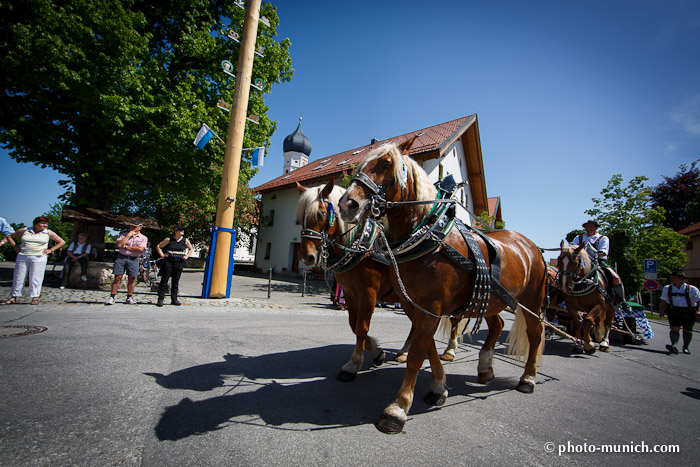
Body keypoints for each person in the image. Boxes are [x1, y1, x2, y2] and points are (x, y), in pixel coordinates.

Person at [0, 216, 66, 305]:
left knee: (36, 277)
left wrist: (50, 250)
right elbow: (10, 236)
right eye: (43, 223)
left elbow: (61, 242)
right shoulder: (25, 230)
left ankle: (35, 297)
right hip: (23, 256)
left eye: (46, 223)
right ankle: (14, 296)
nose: (45, 225)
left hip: (39, 257)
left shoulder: (48, 232)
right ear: (36, 224)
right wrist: (15, 247)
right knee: (19, 276)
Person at [570, 220, 631, 313]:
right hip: (581, 262)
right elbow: (571, 247)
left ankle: (622, 301)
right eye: (587, 227)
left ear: (596, 227)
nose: (588, 228)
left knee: (615, 277)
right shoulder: (579, 237)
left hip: (598, 262)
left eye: (591, 226)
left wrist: (592, 255)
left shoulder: (602, 238)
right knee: (566, 272)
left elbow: (603, 252)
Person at [106, 219, 148, 305]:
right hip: (122, 257)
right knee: (117, 277)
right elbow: (119, 245)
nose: (132, 228)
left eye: (135, 226)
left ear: (139, 227)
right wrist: (128, 236)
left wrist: (127, 247)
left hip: (134, 258)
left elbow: (140, 249)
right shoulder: (124, 235)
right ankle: (112, 296)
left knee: (132, 278)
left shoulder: (143, 238)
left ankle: (129, 297)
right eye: (131, 226)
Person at [659, 270, 700, 354]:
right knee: (674, 328)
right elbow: (664, 301)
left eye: (674, 277)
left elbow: (699, 300)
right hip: (674, 310)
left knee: (688, 330)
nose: (672, 279)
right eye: (671, 277)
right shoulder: (667, 288)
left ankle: (686, 347)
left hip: (688, 311)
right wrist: (661, 311)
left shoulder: (692, 289)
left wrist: (699, 311)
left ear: (681, 279)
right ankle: (674, 345)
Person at [155, 225, 193, 307]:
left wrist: (186, 257)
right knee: (164, 280)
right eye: (180, 230)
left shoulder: (185, 240)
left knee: (176, 281)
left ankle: (174, 299)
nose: (182, 231)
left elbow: (191, 249)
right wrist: (162, 255)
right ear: (175, 231)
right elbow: (159, 246)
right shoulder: (169, 239)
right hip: (169, 260)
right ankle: (160, 298)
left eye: (183, 230)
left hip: (179, 261)